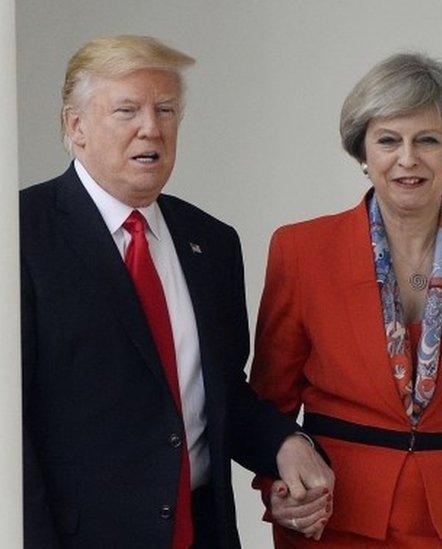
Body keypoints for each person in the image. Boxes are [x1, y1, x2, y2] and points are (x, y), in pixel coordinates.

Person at [20, 35, 334, 548]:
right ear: (75, 126)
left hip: (201, 533)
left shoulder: (211, 241)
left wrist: (286, 443)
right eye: (127, 110)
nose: (152, 127)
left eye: (165, 109)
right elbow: (14, 427)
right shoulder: (22, 235)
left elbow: (222, 393)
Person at [249, 52, 442, 547]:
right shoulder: (301, 250)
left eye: (427, 140)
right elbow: (268, 403)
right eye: (388, 141)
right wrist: (276, 489)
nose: (408, 159)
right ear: (363, 152)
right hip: (333, 517)